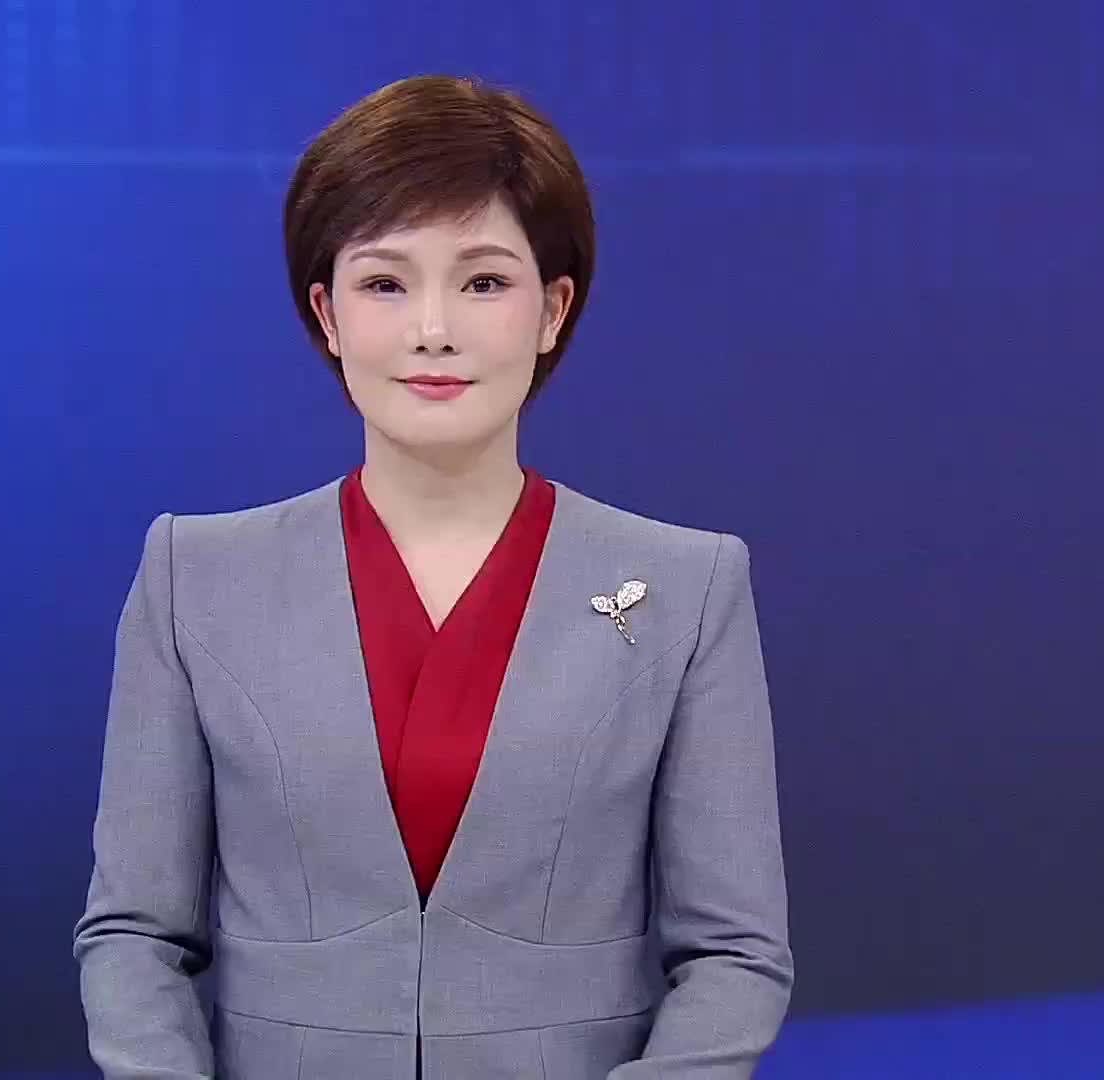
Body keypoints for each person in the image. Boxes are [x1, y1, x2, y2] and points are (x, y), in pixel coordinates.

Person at [75, 74, 791, 1079]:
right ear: (327, 314)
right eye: (385, 283)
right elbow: (135, 935)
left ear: (553, 309)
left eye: (484, 282)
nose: (433, 329)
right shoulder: (193, 578)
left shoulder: (689, 589)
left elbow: (734, 955)